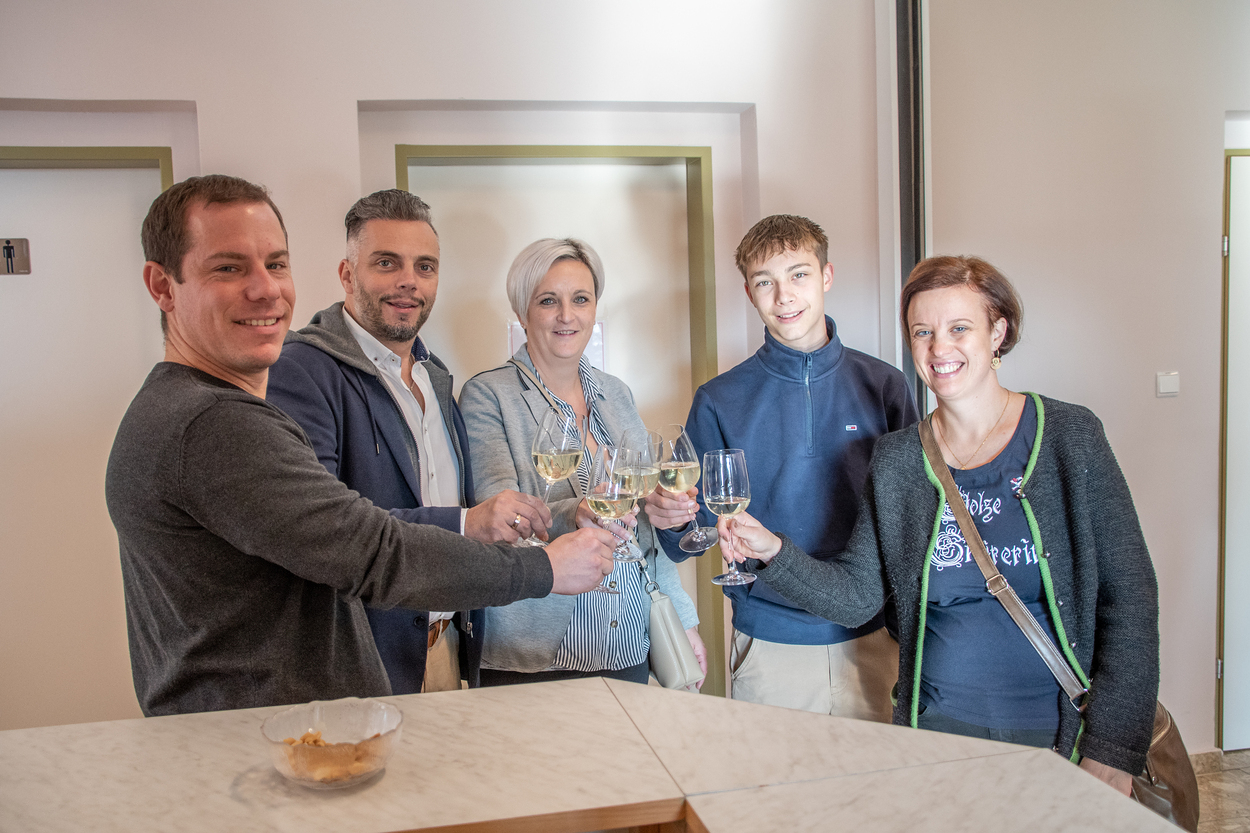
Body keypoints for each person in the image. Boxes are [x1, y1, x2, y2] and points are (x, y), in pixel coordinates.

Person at [106, 175, 617, 717]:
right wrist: (542, 569)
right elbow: (367, 550)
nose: (265, 289)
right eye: (229, 268)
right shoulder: (218, 419)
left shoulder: (434, 376)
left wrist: (549, 520)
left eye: (276, 264)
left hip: (416, 661)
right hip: (268, 732)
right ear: (163, 286)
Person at [719, 255, 1158, 794]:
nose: (938, 348)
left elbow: (1130, 598)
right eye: (922, 332)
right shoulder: (898, 459)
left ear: (998, 333)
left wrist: (1113, 749)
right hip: (937, 739)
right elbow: (858, 596)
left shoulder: (1069, 436)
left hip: (1058, 737)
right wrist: (771, 550)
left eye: (959, 329)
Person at [267, 190, 549, 695]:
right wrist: (469, 522)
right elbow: (324, 535)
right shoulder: (302, 370)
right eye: (386, 263)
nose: (409, 281)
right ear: (347, 274)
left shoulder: (435, 376)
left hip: (445, 650)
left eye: (425, 267)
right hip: (361, 666)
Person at [645, 215, 917, 719]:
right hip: (769, 646)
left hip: (876, 639)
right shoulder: (719, 399)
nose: (784, 295)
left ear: (826, 276)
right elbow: (686, 536)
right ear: (749, 292)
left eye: (799, 274)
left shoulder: (885, 386)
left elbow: (914, 524)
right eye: (765, 281)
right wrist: (670, 518)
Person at [458, 238, 705, 686]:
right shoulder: (488, 396)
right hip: (534, 654)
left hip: (627, 642)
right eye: (548, 301)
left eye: (580, 299)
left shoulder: (616, 394)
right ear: (522, 311)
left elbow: (643, 532)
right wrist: (575, 512)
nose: (566, 316)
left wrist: (683, 617)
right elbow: (499, 520)